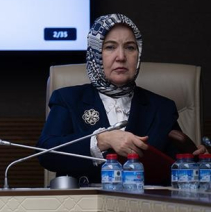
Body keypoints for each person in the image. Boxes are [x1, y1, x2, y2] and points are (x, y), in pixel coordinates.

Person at [37, 13, 207, 184]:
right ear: (95, 54)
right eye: (110, 47)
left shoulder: (162, 108)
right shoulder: (68, 99)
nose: (121, 57)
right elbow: (46, 154)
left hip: (142, 200)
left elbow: (175, 168)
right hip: (87, 199)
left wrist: (197, 161)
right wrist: (102, 140)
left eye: (130, 47)